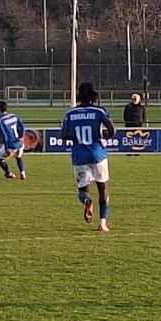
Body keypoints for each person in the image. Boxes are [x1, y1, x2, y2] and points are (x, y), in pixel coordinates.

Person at [60, 81, 115, 233]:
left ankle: (87, 201)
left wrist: (76, 137)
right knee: (102, 187)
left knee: (83, 190)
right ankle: (102, 224)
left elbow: (63, 134)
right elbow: (112, 129)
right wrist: (105, 136)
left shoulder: (70, 113)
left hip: (79, 156)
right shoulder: (100, 111)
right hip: (97, 153)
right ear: (93, 95)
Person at [0, 100, 27, 180]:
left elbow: (4, 135)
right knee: (18, 156)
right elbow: (22, 126)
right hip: (20, 142)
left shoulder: (0, 121)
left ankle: (8, 173)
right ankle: (22, 173)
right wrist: (22, 136)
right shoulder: (14, 116)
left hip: (11, 145)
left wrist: (6, 148)